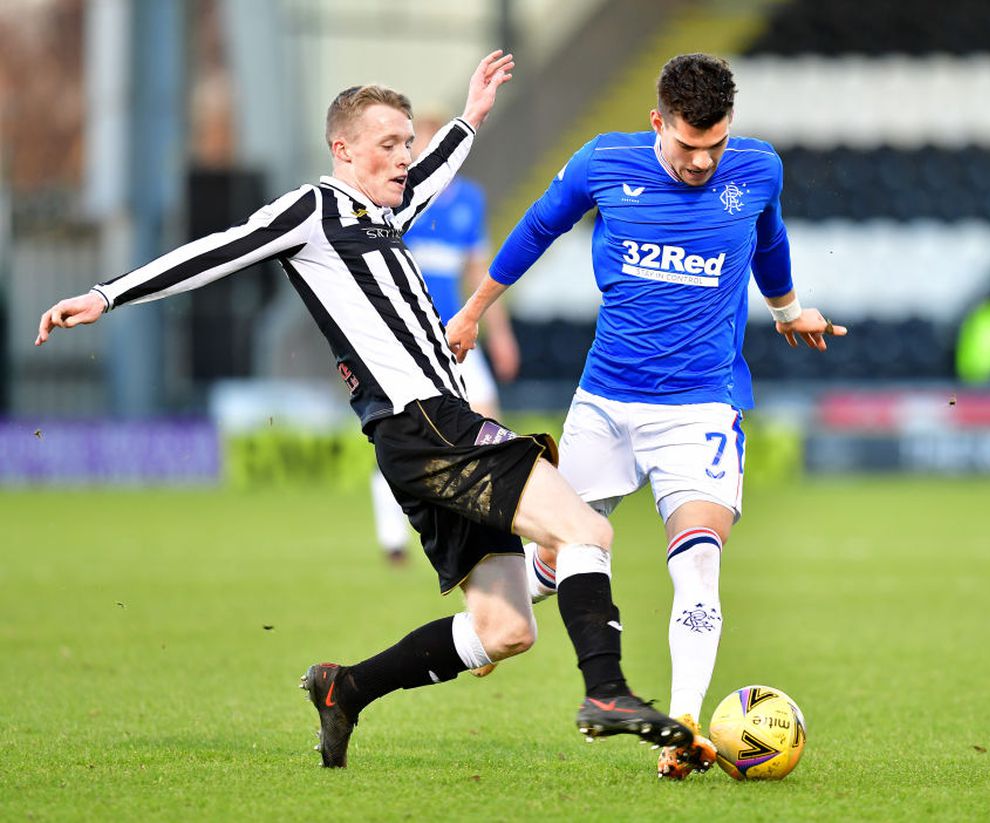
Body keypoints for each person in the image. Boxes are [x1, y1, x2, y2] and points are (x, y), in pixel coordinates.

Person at [35, 51, 692, 769]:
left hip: (417, 438)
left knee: (505, 628)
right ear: (341, 150)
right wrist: (105, 294)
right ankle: (607, 690)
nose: (404, 157)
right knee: (584, 529)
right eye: (388, 144)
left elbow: (433, 175)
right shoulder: (312, 211)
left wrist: (470, 116)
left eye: (407, 143)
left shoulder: (383, 213)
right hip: (430, 424)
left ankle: (344, 688)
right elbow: (217, 250)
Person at [446, 53, 847, 780]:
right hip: (604, 403)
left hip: (701, 409)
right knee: (551, 559)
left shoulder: (756, 171)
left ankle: (684, 725)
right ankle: (487, 627)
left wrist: (787, 309)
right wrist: (474, 311)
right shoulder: (605, 164)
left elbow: (770, 239)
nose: (702, 162)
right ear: (656, 122)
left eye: (715, 145)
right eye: (688, 145)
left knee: (698, 564)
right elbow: (536, 229)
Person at [370, 112, 519, 567]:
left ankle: (495, 523)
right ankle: (392, 537)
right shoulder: (396, 200)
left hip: (454, 332)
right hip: (407, 335)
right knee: (401, 429)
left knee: (488, 419)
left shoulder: (469, 201)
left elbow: (477, 269)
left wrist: (501, 335)